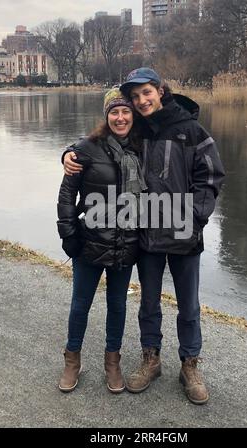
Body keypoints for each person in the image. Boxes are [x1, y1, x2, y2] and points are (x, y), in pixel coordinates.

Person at [64, 68, 225, 405]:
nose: (140, 102)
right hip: (147, 233)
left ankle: (190, 365)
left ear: (161, 91)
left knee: (189, 305)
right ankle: (150, 358)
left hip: (184, 233)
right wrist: (67, 154)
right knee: (148, 303)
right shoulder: (139, 131)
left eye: (145, 94)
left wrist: (195, 218)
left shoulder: (191, 130)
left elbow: (210, 176)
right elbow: (99, 144)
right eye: (134, 98)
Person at [57, 88, 146, 394]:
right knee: (80, 304)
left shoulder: (141, 148)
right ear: (106, 116)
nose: (120, 118)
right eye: (114, 112)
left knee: (117, 305)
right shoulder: (86, 148)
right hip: (90, 242)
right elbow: (67, 193)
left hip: (126, 243)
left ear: (132, 116)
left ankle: (112, 362)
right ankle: (72, 360)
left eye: (125, 112)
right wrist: (68, 233)